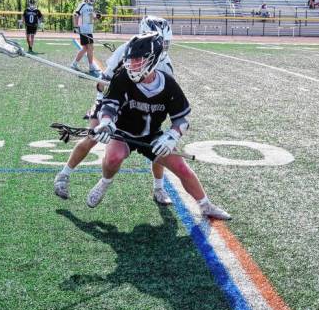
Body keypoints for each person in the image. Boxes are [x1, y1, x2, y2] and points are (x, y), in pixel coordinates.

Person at [84, 32, 231, 220]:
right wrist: (105, 123)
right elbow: (109, 105)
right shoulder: (122, 77)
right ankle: (104, 182)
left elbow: (182, 118)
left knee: (182, 168)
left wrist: (172, 136)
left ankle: (205, 205)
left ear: (153, 60)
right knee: (113, 157)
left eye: (138, 60)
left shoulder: (168, 84)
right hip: (123, 132)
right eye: (131, 60)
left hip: (153, 135)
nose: (132, 64)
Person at [55, 16, 177, 206]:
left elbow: (165, 93)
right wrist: (103, 109)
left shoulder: (165, 63)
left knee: (157, 142)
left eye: (165, 41)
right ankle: (63, 175)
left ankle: (159, 188)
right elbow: (102, 83)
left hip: (141, 107)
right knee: (93, 136)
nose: (163, 45)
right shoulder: (126, 50)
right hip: (113, 101)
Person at [71, 0, 102, 77]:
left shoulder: (90, 7)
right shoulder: (83, 5)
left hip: (89, 30)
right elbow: (75, 14)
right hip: (84, 30)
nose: (92, 0)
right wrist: (76, 26)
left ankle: (74, 64)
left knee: (85, 48)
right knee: (90, 47)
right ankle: (91, 66)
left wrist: (97, 17)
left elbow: (91, 18)